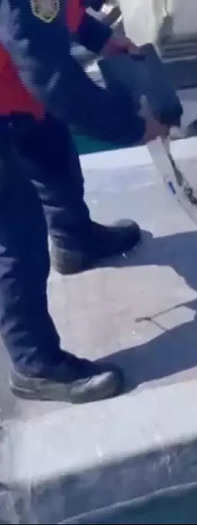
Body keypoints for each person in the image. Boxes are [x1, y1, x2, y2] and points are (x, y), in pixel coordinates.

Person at [0, 0, 169, 403]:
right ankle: (33, 364)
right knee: (17, 231)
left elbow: (59, 11)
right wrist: (131, 127)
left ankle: (75, 241)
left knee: (51, 149)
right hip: (16, 80)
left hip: (11, 88)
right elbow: (50, 74)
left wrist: (102, 37)